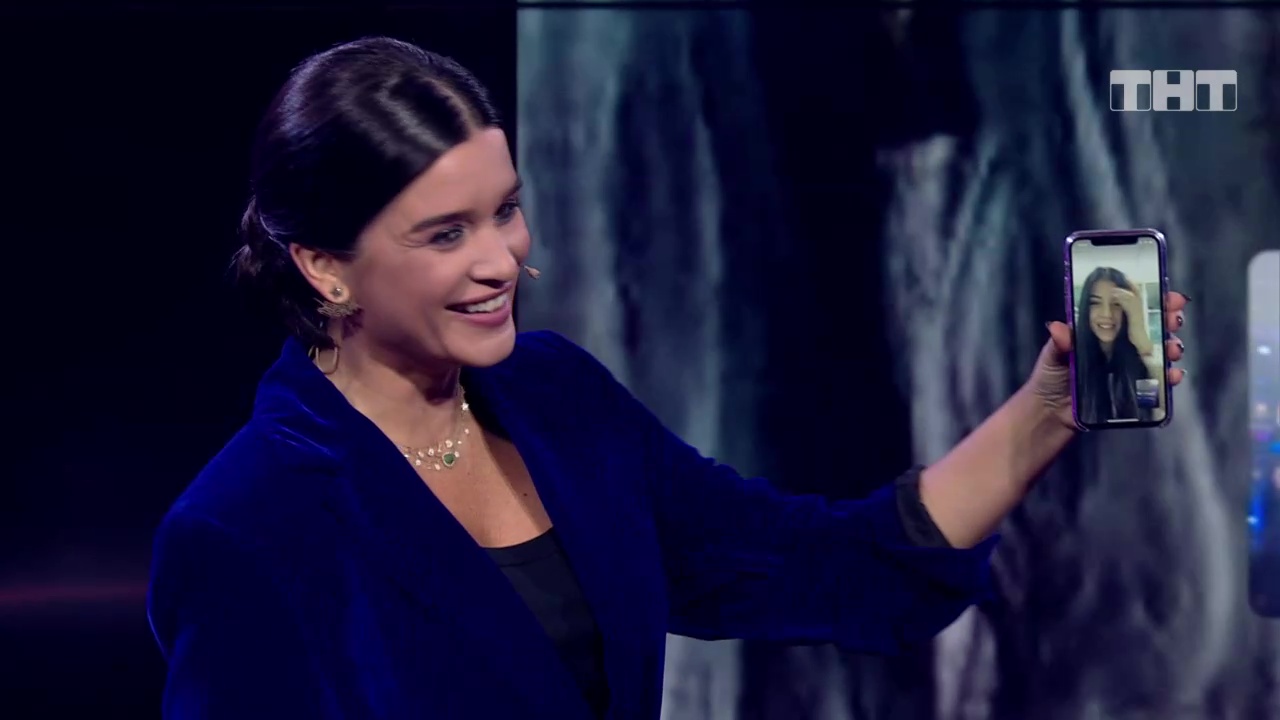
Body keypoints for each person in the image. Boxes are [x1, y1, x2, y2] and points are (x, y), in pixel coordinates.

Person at [145, 36, 1190, 720]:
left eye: (504, 211)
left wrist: (1045, 413)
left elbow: (827, 568)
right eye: (445, 234)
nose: (502, 260)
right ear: (324, 266)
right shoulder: (244, 529)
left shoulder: (559, 400)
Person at [1073, 266, 1169, 425]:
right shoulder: (1072, 365)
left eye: (1116, 304)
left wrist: (1143, 343)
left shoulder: (1137, 365)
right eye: (1095, 303)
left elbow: (1158, 413)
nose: (1107, 314)